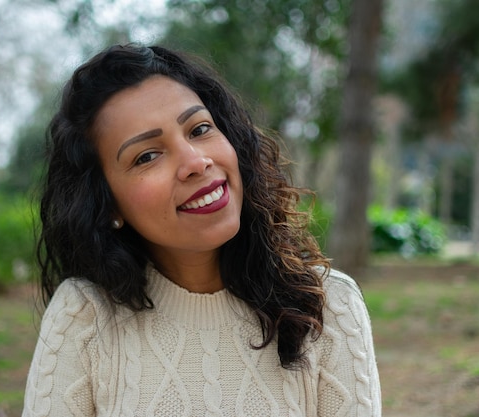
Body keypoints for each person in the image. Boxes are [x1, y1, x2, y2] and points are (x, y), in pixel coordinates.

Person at [22, 43, 381, 416]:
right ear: (107, 203)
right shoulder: (85, 317)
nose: (196, 161)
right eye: (147, 156)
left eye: (200, 129)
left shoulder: (330, 307)